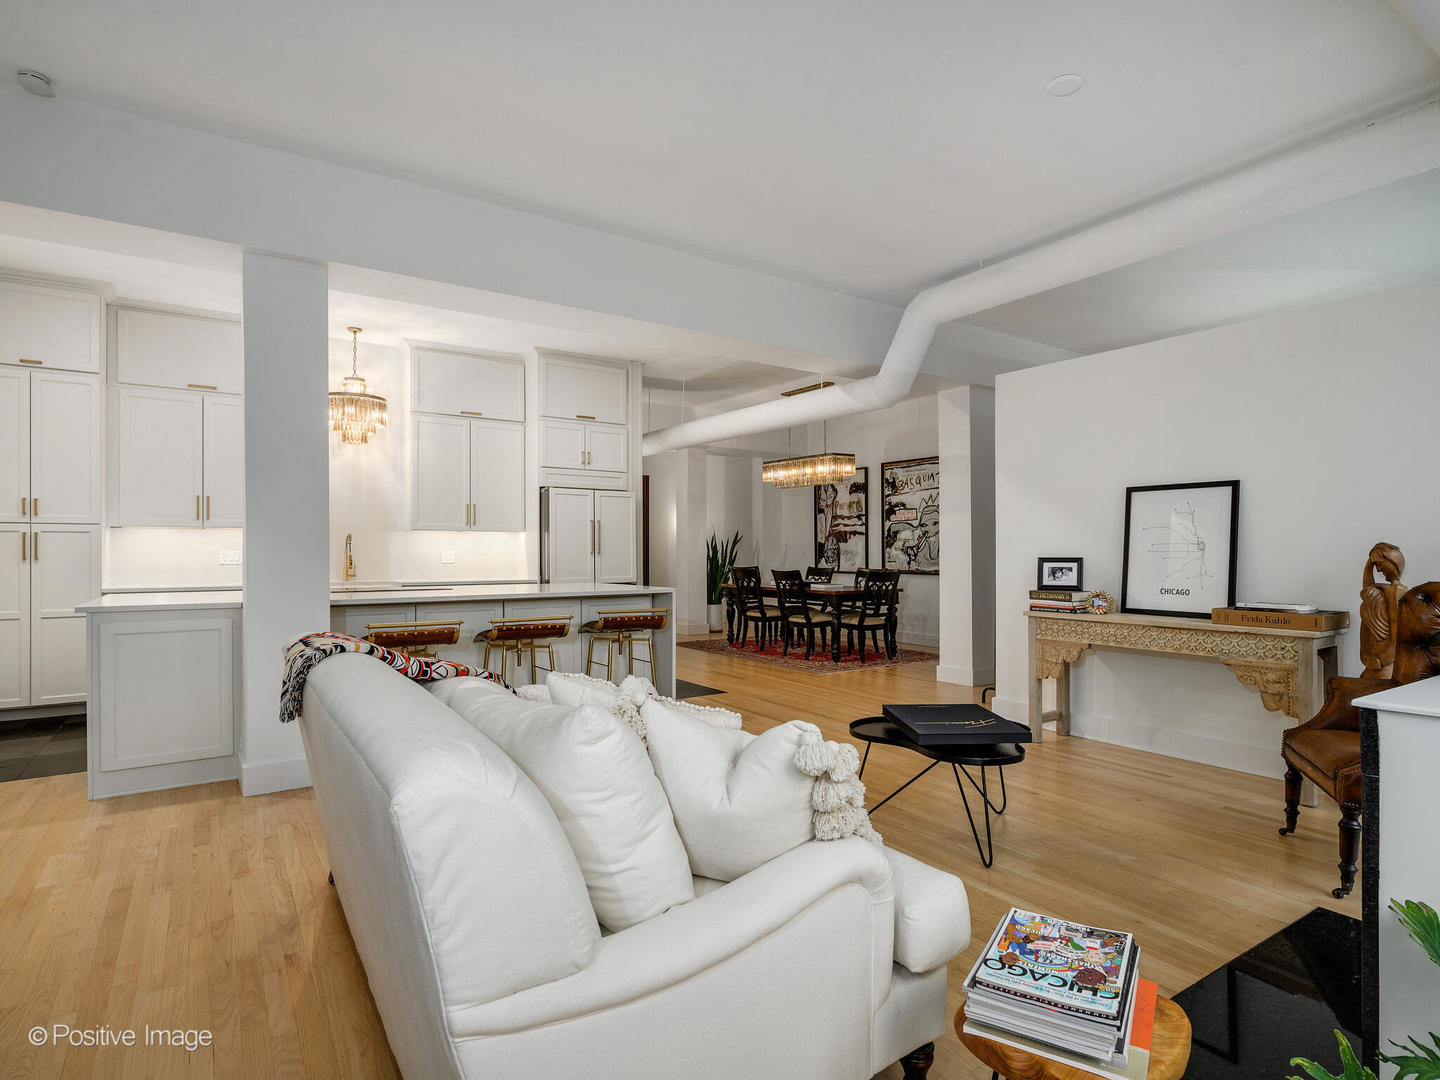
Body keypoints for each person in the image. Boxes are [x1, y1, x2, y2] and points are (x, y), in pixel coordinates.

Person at [1360, 542, 1406, 678]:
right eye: (1376, 565)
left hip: (1385, 666)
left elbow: (1398, 637)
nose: (1378, 570)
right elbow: (1366, 588)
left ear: (1393, 563)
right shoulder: (1381, 591)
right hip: (1374, 663)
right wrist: (1371, 560)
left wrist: (1380, 661)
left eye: (1379, 564)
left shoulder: (1396, 592)